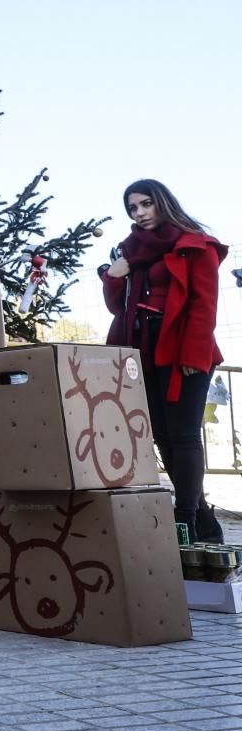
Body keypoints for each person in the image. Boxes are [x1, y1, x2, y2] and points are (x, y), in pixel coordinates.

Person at [100, 179, 228, 543]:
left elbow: (204, 307)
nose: (139, 213)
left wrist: (194, 354)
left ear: (162, 202)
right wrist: (112, 276)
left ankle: (184, 517)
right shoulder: (130, 251)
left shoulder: (194, 246)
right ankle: (202, 518)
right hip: (141, 348)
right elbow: (116, 307)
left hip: (182, 346)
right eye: (132, 208)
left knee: (184, 435)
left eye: (145, 204)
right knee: (162, 435)